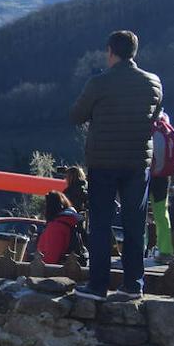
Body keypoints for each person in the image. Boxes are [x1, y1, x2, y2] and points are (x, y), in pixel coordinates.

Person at [69, 29, 163, 301]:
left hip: (104, 161)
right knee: (135, 223)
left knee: (100, 223)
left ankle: (98, 285)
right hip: (137, 162)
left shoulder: (99, 83)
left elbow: (76, 115)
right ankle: (134, 284)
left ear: (110, 52)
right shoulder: (154, 82)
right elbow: (156, 115)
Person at [36, 191, 86, 265]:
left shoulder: (56, 227)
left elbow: (50, 259)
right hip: (71, 269)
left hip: (54, 273)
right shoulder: (71, 223)